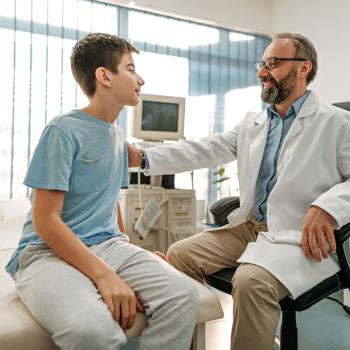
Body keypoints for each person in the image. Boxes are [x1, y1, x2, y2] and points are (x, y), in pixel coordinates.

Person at [128, 32, 350, 350]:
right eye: (262, 64)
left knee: (251, 282)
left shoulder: (337, 124)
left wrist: (326, 206)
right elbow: (206, 149)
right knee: (178, 256)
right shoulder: (254, 124)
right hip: (249, 227)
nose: (262, 72)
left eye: (273, 63)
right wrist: (143, 157)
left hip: (297, 235)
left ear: (303, 68)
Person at [5, 32, 198, 350]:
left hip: (110, 247)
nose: (141, 79)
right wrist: (105, 276)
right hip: (46, 255)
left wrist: (134, 254)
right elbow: (46, 220)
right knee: (93, 330)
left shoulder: (118, 136)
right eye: (131, 68)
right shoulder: (63, 130)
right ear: (104, 75)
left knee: (183, 295)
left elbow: (111, 205)